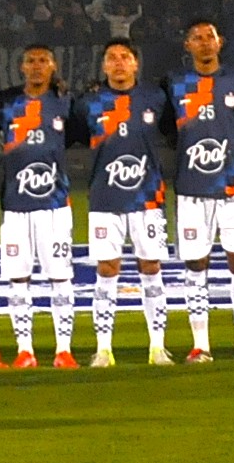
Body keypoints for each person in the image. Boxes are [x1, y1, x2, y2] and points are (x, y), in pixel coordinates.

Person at [160, 18, 234, 362]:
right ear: (186, 46)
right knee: (195, 265)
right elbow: (165, 127)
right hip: (191, 189)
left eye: (210, 37)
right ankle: (200, 345)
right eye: (196, 38)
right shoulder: (174, 84)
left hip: (233, 188)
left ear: (220, 43)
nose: (204, 43)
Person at [69, 39, 172, 368]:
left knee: (151, 268)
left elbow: (178, 131)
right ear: (103, 66)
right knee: (106, 271)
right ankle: (103, 349)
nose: (118, 63)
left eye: (125, 57)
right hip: (105, 197)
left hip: (148, 197)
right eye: (111, 58)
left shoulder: (155, 97)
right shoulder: (89, 103)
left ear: (135, 64)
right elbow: (71, 135)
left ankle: (158, 347)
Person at [0, 45, 76, 368]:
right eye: (30, 62)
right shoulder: (4, 103)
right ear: (21, 67)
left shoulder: (65, 101)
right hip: (15, 206)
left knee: (61, 278)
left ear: (53, 66)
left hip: (54, 205)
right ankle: (25, 350)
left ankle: (63, 350)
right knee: (18, 280)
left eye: (43, 61)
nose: (37, 67)